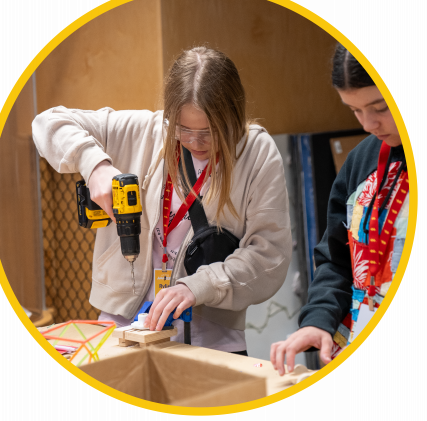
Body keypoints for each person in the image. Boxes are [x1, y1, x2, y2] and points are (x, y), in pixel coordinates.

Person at [32, 46, 292, 355]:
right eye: (183, 129)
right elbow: (47, 123)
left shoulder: (256, 153)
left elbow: (268, 255)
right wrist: (95, 166)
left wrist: (199, 286)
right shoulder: (144, 131)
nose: (195, 142)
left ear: (232, 118)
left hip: (211, 339)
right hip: (122, 329)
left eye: (209, 132)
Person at [270, 43, 408, 374]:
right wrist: (318, 319)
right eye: (355, 110)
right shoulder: (361, 161)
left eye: (379, 107)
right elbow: (337, 259)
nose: (368, 124)